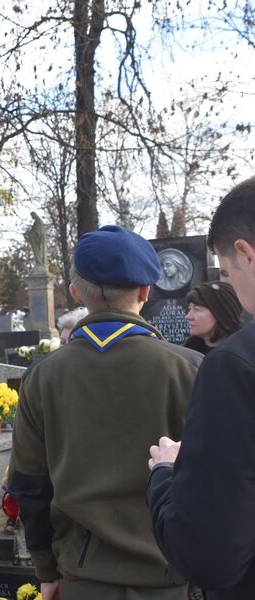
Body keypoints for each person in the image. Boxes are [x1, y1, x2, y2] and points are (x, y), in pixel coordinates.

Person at [9, 225, 202, 600]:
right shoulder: (192, 368)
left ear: (76, 292)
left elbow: (29, 483)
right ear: (146, 291)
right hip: (172, 574)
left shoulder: (43, 376)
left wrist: (45, 570)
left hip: (84, 577)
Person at [148, 176, 255, 599]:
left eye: (227, 272)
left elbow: (211, 557)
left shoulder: (235, 365)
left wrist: (164, 476)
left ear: (246, 254)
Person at [181, 280, 243, 356]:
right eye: (190, 308)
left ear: (220, 314)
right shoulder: (188, 353)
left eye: (197, 309)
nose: (188, 317)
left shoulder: (243, 352)